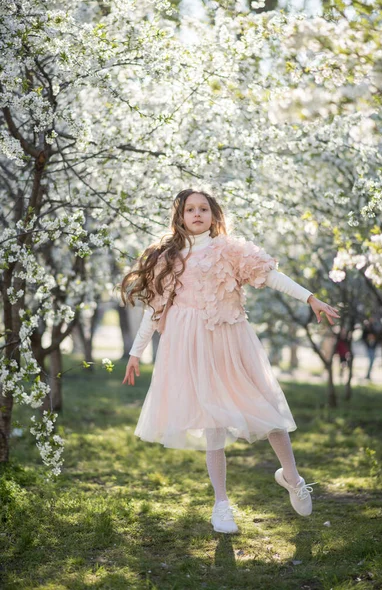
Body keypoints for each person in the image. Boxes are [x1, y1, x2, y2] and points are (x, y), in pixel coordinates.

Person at [120, 189, 340, 534]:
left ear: (213, 214)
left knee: (265, 408)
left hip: (229, 340)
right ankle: (221, 504)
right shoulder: (168, 258)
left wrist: (309, 297)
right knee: (213, 424)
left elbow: (271, 277)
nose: (196, 214)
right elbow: (154, 310)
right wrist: (137, 352)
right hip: (189, 345)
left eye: (203, 208)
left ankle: (292, 477)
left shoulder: (230, 250)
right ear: (179, 217)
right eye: (189, 209)